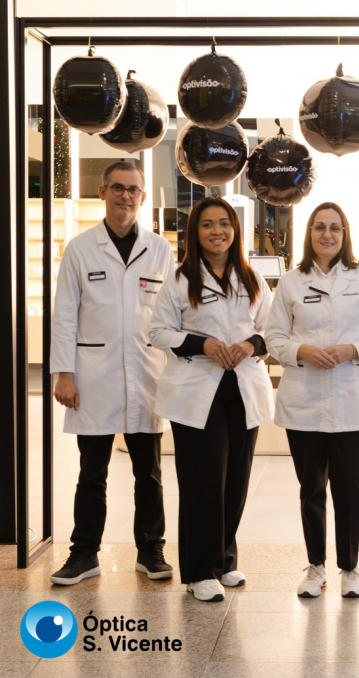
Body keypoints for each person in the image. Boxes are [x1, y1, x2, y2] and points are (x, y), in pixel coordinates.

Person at [50, 161, 175, 585]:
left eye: (133, 189)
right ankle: (84, 553)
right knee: (92, 473)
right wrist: (64, 373)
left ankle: (151, 550)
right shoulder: (81, 248)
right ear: (102, 192)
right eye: (118, 188)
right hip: (93, 377)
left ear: (142, 196)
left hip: (146, 374)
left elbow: (172, 315)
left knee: (149, 473)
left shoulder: (160, 250)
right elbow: (64, 316)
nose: (125, 196)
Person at [149, 197, 274, 603]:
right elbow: (158, 332)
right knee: (203, 483)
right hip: (196, 391)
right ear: (195, 232)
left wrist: (251, 344)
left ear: (235, 229)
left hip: (242, 388)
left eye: (224, 223)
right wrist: (202, 343)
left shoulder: (252, 278)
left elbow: (273, 330)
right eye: (207, 224)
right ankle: (201, 571)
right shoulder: (180, 279)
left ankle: (224, 558)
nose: (216, 231)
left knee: (236, 479)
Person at [265, 202, 359, 599]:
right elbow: (273, 337)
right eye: (319, 227)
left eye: (335, 228)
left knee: (350, 489)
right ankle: (315, 566)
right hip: (304, 400)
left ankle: (350, 568)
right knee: (311, 489)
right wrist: (301, 351)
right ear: (309, 234)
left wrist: (352, 349)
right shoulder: (291, 282)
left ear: (344, 234)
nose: (327, 234)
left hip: (351, 400)